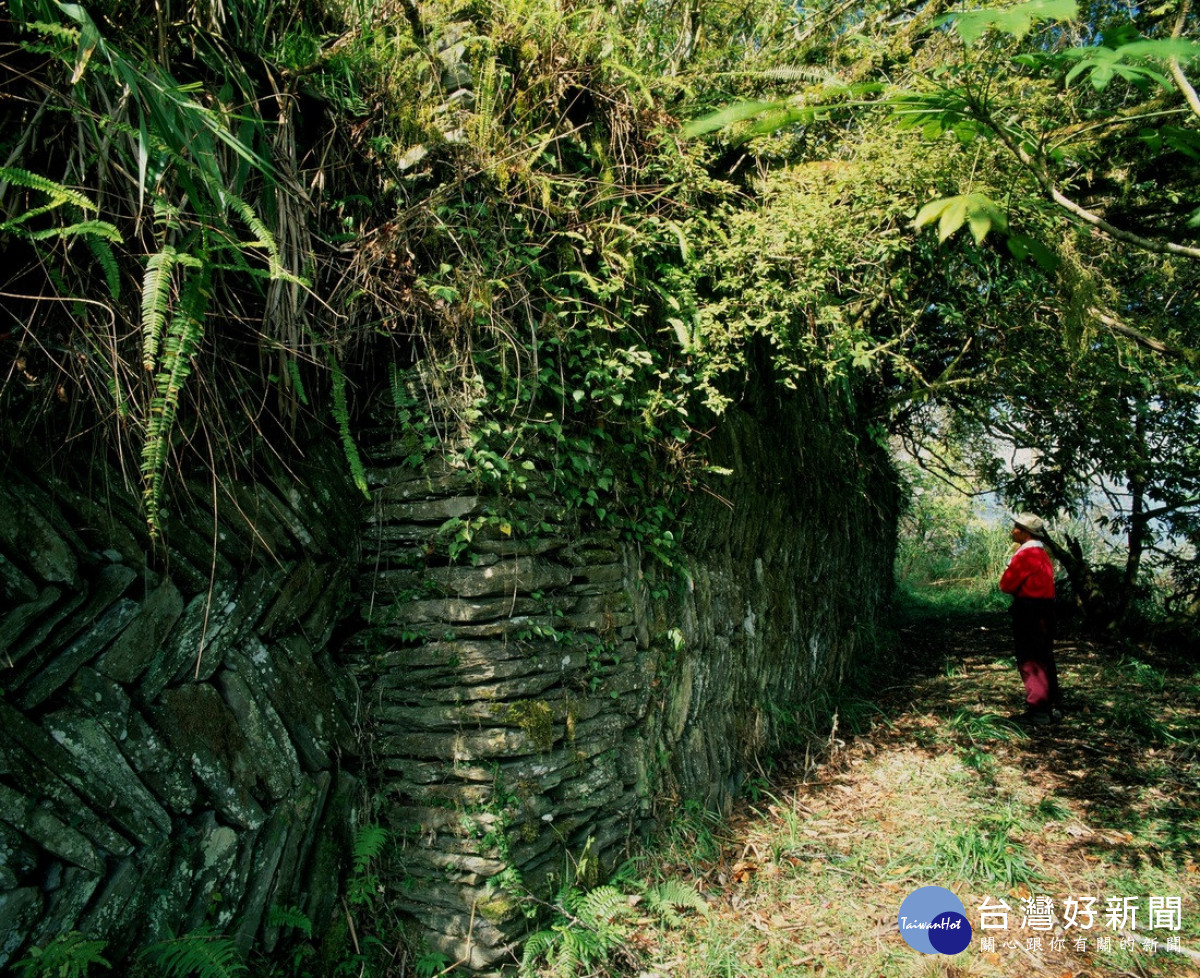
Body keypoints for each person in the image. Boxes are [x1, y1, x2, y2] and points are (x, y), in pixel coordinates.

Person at [998, 513, 1060, 724]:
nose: (1013, 530)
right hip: (1046, 609)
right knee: (1044, 655)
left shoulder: (1026, 555)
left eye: (1016, 527)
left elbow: (1006, 585)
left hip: (1029, 610)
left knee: (1030, 659)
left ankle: (1038, 710)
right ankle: (1051, 706)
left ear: (1025, 533)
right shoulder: (1042, 555)